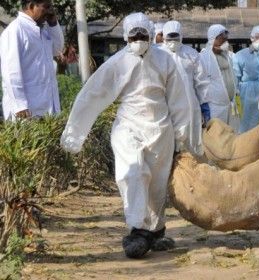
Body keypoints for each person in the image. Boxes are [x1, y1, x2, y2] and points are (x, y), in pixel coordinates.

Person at [60, 13, 190, 259]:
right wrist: (74, 134)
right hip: (128, 127)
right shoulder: (117, 63)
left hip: (161, 130)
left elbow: (179, 100)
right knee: (133, 173)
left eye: (143, 35)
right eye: (134, 36)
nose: (139, 40)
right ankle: (137, 230)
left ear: (151, 35)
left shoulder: (166, 61)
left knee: (157, 184)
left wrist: (182, 135)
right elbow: (92, 96)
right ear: (126, 37)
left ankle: (154, 230)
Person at [0, 0, 64, 120]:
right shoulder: (15, 30)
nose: (50, 11)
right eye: (46, 7)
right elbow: (11, 71)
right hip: (26, 110)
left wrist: (53, 24)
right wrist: (20, 105)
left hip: (48, 107)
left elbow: (57, 49)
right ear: (31, 6)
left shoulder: (43, 29)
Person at [159, 20, 210, 156]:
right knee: (169, 145)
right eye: (170, 38)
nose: (173, 41)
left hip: (190, 108)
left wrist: (204, 103)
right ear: (164, 37)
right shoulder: (157, 54)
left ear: (181, 36)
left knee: (191, 144)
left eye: (176, 38)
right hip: (166, 107)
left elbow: (201, 81)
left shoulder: (191, 54)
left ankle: (189, 173)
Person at [200, 24, 240, 131]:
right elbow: (200, 84)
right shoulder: (203, 58)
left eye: (226, 40)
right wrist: (204, 107)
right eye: (222, 40)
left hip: (230, 105)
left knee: (231, 136)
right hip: (214, 107)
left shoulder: (227, 55)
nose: (225, 43)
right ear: (214, 39)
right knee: (216, 139)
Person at [233, 25, 259, 133]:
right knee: (246, 122)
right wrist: (235, 96)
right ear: (251, 38)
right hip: (246, 94)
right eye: (257, 37)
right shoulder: (240, 55)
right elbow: (235, 77)